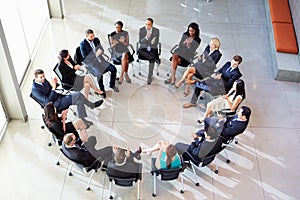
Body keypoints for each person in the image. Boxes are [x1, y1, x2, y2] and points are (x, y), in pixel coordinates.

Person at [31, 69, 103, 126]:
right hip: (55, 105)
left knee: (79, 101)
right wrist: (53, 87)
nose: (43, 78)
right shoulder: (35, 90)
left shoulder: (43, 80)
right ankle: (91, 105)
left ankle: (83, 120)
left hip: (59, 97)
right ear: (35, 78)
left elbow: (51, 88)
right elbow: (48, 102)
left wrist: (55, 83)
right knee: (78, 94)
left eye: (43, 76)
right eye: (41, 77)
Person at [80, 29, 119, 98]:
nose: (93, 38)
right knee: (99, 74)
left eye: (93, 36)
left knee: (113, 69)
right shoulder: (82, 44)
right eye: (91, 37)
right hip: (92, 64)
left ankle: (112, 84)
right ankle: (102, 89)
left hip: (101, 60)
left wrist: (101, 51)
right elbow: (85, 58)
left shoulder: (96, 40)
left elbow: (102, 49)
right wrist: (95, 54)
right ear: (86, 36)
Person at [138, 18, 160, 85]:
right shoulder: (141, 30)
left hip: (152, 48)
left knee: (152, 59)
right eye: (146, 24)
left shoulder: (156, 30)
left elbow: (157, 42)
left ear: (152, 24)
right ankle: (155, 58)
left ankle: (149, 75)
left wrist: (153, 43)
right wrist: (146, 38)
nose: (147, 26)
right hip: (144, 48)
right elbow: (140, 41)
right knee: (141, 51)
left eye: (149, 24)